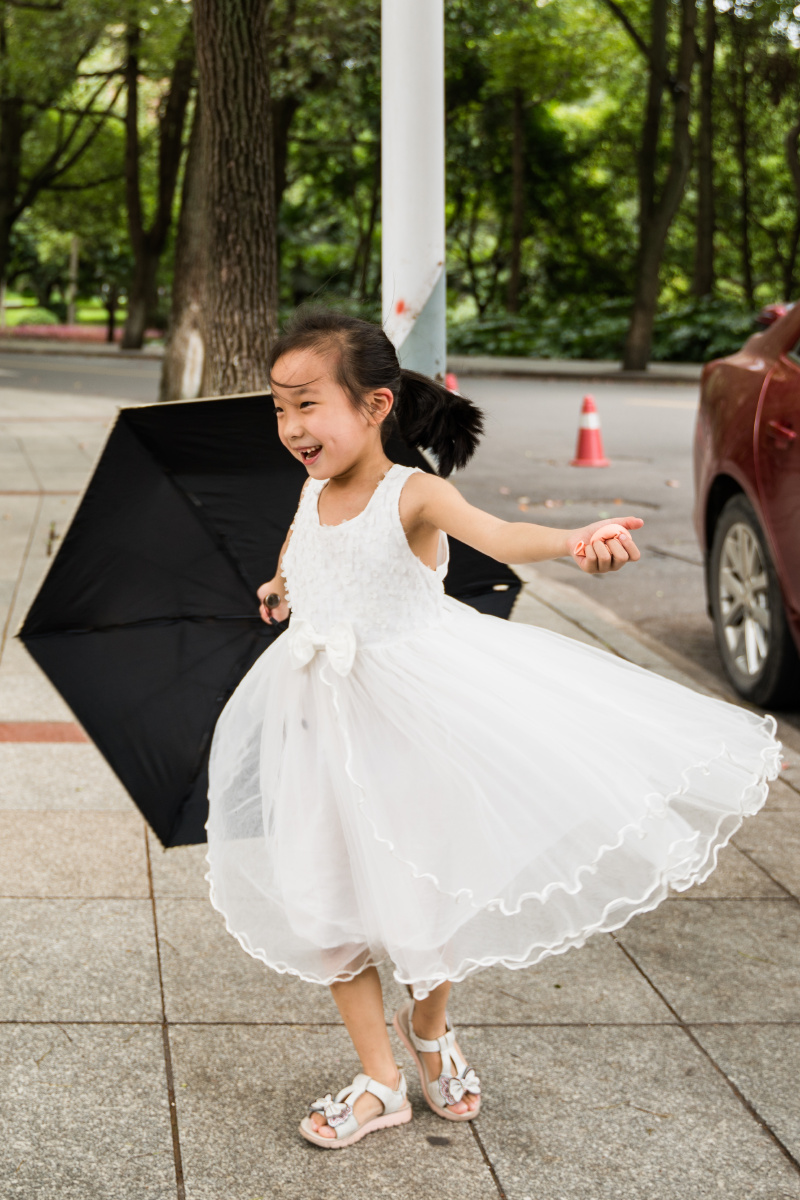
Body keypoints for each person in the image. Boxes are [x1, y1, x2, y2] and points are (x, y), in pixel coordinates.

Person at [205, 308, 782, 1150]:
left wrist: (575, 538)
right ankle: (379, 1079)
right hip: (323, 728)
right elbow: (304, 562)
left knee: (426, 900)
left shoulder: (415, 493)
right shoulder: (310, 491)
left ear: (374, 405)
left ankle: (429, 1030)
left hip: (412, 729)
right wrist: (282, 588)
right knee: (326, 898)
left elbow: (501, 534)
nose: (291, 426)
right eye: (279, 408)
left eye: (308, 404)